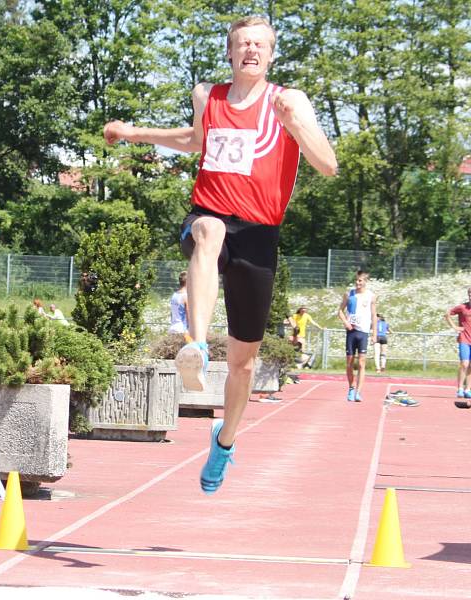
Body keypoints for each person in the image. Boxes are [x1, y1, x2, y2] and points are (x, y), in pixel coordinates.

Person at [103, 15, 337, 494]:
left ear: (270, 55)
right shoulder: (206, 95)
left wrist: (296, 124)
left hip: (259, 233)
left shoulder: (287, 101)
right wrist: (133, 133)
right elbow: (195, 140)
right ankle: (196, 343)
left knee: (244, 363)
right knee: (207, 231)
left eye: (259, 44)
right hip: (211, 214)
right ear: (230, 53)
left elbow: (327, 165)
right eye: (242, 43)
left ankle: (225, 440)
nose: (250, 50)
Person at [338, 270, 377, 402]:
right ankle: (351, 388)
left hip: (363, 332)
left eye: (360, 280)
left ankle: (358, 392)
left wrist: (374, 334)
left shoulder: (371, 296)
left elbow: (373, 316)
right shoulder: (349, 294)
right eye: (356, 280)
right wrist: (346, 322)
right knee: (349, 362)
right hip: (351, 332)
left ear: (366, 281)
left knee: (361, 363)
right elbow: (340, 311)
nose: (357, 282)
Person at [444, 287, 471, 402]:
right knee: (464, 364)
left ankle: (468, 390)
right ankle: (460, 388)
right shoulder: (462, 307)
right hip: (464, 339)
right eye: (470, 294)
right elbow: (447, 314)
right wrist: (455, 327)